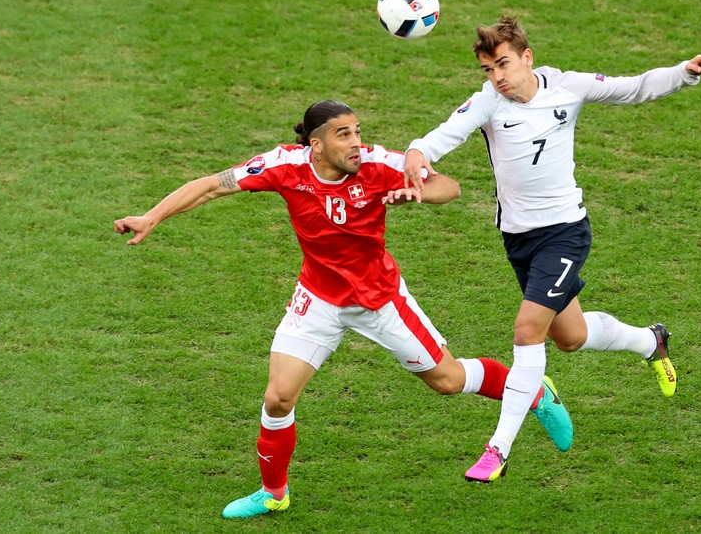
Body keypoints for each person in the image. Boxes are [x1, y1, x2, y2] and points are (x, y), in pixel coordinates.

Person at [114, 100, 573, 518]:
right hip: (317, 300)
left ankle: (531, 391)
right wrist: (151, 217)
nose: (356, 143)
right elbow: (211, 186)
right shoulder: (283, 166)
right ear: (316, 145)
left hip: (379, 300)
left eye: (357, 131)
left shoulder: (379, 164)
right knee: (278, 397)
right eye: (344, 135)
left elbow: (449, 187)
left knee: (449, 381)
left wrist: (418, 191)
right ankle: (274, 493)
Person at [403, 16, 701, 482]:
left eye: (504, 64)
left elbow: (632, 87)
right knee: (568, 336)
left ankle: (498, 449)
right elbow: (444, 135)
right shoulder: (489, 103)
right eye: (488, 69)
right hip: (519, 239)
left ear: (527, 58)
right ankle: (649, 341)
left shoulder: (568, 87)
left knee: (527, 330)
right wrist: (418, 152)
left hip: (565, 232)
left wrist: (685, 72)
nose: (497, 76)